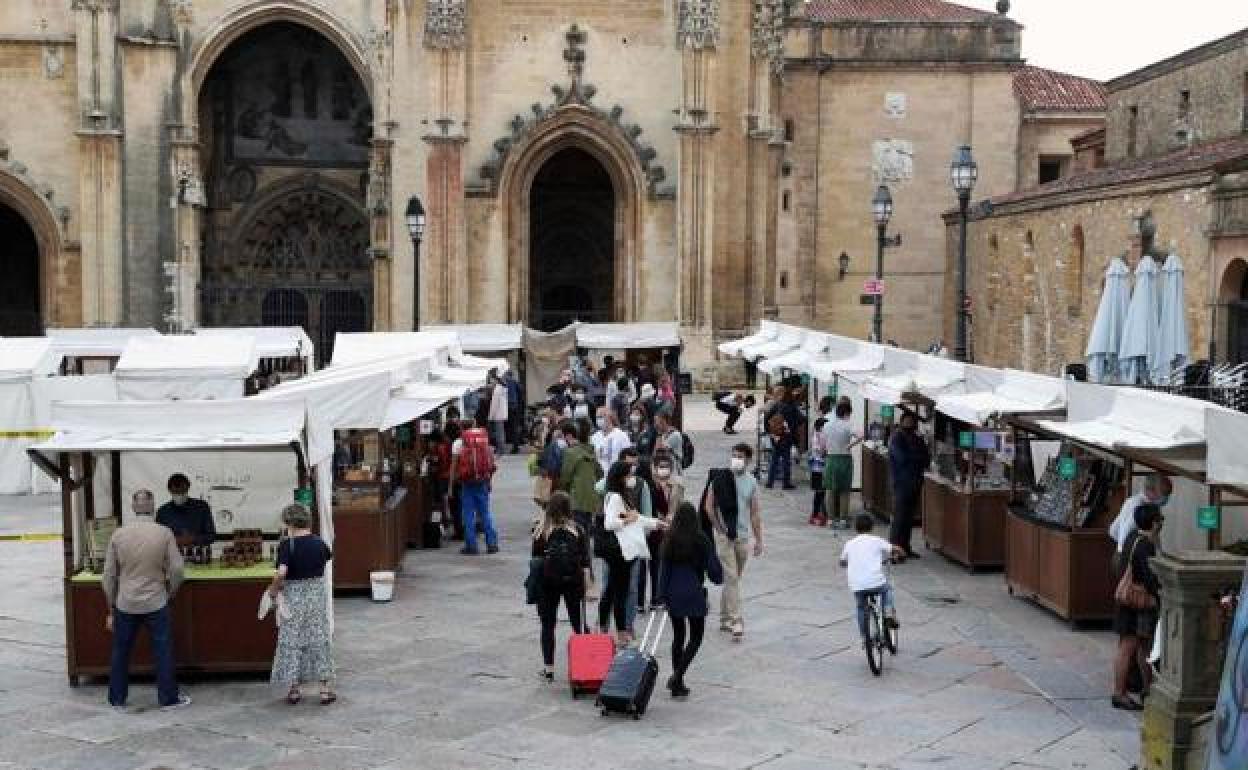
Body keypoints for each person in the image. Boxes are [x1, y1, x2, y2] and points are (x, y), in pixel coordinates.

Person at [102, 489, 190, 711]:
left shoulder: (119, 534)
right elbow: (178, 569)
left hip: (126, 602)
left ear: (132, 507)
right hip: (156, 601)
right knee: (163, 651)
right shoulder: (164, 533)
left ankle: (117, 699)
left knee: (121, 651)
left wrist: (110, 607)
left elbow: (108, 576)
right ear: (153, 507)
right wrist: (171, 590)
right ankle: (168, 698)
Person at [268, 503, 336, 705]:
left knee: (292, 640)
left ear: (289, 523)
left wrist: (273, 589)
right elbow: (324, 561)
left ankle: (294, 689)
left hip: (294, 596)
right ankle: (324, 689)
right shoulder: (320, 543)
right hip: (316, 596)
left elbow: (281, 573)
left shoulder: (286, 546)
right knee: (319, 638)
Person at [658, 502, 723, 698]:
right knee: (696, 637)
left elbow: (663, 571)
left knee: (678, 637)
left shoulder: (669, 539)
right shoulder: (701, 539)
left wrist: (661, 596)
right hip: (693, 592)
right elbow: (714, 572)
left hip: (673, 593)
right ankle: (677, 676)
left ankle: (678, 682)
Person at [703, 443, 764, 642]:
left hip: (742, 536)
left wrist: (759, 539)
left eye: (740, 456)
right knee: (731, 576)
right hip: (724, 536)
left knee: (734, 578)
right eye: (733, 455)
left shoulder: (751, 482)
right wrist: (719, 528)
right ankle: (737, 620)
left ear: (747, 460)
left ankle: (724, 618)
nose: (736, 459)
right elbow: (708, 507)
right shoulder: (720, 478)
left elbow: (754, 513)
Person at [600, 461, 664, 645]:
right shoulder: (615, 498)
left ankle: (605, 626)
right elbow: (610, 523)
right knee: (619, 592)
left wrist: (656, 523)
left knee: (613, 590)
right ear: (620, 477)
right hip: (620, 551)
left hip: (624, 550)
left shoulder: (622, 495)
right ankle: (621, 633)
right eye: (629, 475)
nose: (632, 479)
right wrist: (628, 520)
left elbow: (636, 517)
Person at [531, 492, 589, 682]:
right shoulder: (577, 529)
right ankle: (583, 664)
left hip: (548, 583)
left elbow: (535, 558)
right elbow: (585, 560)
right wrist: (587, 585)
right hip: (573, 581)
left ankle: (549, 669)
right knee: (577, 623)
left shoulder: (541, 530)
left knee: (548, 625)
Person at [1112, 503, 1163, 711]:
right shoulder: (1144, 545)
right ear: (1153, 522)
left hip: (1129, 602)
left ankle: (1146, 688)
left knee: (1142, 646)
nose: (1161, 524)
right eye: (1160, 520)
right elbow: (1148, 576)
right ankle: (1119, 693)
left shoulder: (1133, 537)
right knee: (1129, 647)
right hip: (1137, 603)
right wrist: (1159, 591)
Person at [839, 513, 903, 647]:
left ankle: (864, 638)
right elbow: (895, 549)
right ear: (872, 527)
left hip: (857, 585)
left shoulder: (849, 544)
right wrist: (901, 554)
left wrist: (848, 563)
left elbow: (842, 561)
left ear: (856, 528)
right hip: (875, 582)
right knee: (887, 589)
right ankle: (888, 613)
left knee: (861, 607)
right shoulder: (876, 540)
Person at [449, 418, 500, 555]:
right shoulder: (482, 440)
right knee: (485, 513)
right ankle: (492, 544)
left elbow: (453, 466)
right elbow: (489, 462)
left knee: (468, 514)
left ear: (461, 428)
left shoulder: (458, 443)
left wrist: (450, 486)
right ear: (474, 426)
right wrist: (489, 481)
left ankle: (471, 545)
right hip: (482, 481)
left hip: (466, 482)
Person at [556, 420, 602, 557]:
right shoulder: (590, 451)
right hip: (591, 499)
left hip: (576, 499)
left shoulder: (571, 453)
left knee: (575, 534)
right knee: (585, 533)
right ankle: (587, 565)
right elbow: (600, 473)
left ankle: (580, 565)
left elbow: (565, 477)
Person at [887, 410, 929, 559]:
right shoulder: (896, 438)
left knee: (908, 517)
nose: (910, 423)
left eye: (912, 421)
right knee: (899, 517)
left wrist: (915, 456)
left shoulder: (917, 438)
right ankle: (894, 549)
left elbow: (926, 458)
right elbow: (901, 458)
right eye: (908, 420)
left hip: (915, 481)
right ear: (902, 421)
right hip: (901, 482)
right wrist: (916, 456)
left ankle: (905, 546)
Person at [1108, 474, 1172, 564]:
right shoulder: (1136, 505)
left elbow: (1154, 534)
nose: (1166, 498)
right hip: (1127, 556)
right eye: (1164, 494)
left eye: (1168, 494)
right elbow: (1122, 532)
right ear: (1150, 491)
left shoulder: (1152, 505)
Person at [648, 455, 684, 610]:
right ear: (655, 469)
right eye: (660, 466)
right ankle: (656, 597)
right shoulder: (650, 486)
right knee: (655, 564)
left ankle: (669, 595)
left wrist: (672, 518)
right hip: (655, 529)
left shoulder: (678, 485)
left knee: (670, 563)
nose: (664, 469)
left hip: (672, 529)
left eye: (666, 466)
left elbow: (679, 505)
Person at [822, 401, 863, 529]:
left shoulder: (827, 425)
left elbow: (823, 443)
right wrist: (851, 445)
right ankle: (843, 519)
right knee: (844, 490)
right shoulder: (848, 425)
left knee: (830, 489)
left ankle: (830, 519)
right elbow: (861, 436)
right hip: (844, 458)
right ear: (846, 413)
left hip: (831, 458)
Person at [155, 473, 216, 547]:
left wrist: (193, 539)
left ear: (188, 488)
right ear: (169, 490)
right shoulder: (162, 512)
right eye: (176, 492)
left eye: (183, 492)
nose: (180, 495)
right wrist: (174, 540)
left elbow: (211, 536)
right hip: (171, 555)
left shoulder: (202, 507)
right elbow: (158, 539)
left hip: (200, 554)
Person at [764, 387, 800, 490]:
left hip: (776, 437)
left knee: (774, 460)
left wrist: (770, 433)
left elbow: (767, 418)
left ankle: (769, 483)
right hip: (786, 438)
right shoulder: (792, 407)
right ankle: (786, 483)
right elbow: (799, 421)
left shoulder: (776, 405)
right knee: (786, 461)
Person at [590, 407, 633, 476]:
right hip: (598, 475)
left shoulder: (621, 435)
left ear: (609, 417)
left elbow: (628, 456)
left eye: (601, 416)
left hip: (616, 475)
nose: (599, 420)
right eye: (597, 417)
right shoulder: (594, 437)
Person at [809, 416, 828, 527]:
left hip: (819, 468)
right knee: (820, 492)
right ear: (821, 427)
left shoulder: (818, 436)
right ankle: (815, 515)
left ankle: (820, 514)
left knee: (821, 492)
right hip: (818, 469)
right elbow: (820, 452)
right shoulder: (817, 437)